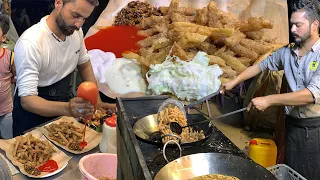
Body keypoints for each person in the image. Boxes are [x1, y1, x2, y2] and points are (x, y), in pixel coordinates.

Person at [221, 1, 320, 179]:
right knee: (292, 169)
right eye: (291, 24)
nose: (292, 29)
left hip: (314, 128)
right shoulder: (287, 53)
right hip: (292, 124)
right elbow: (261, 66)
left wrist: (269, 100)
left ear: (315, 25)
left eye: (298, 25)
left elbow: (310, 95)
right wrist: (234, 81)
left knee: (310, 173)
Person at [13, 0, 116, 137]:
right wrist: (68, 108)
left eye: (84, 18)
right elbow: (28, 101)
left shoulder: (74, 32)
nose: (79, 24)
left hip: (61, 101)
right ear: (58, 3)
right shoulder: (31, 43)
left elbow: (84, 64)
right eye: (75, 15)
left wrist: (96, 101)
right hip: (32, 113)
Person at [0, 14, 15, 139]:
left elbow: (15, 76)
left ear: (3, 37)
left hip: (5, 110)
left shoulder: (10, 56)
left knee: (8, 141)